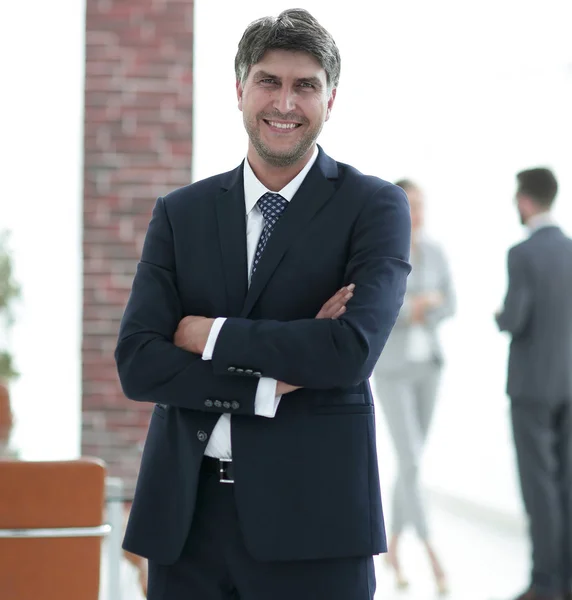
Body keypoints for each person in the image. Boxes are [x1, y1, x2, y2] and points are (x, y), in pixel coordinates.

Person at [115, 9, 411, 600]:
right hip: (188, 522)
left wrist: (208, 335)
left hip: (316, 524)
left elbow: (348, 352)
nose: (285, 103)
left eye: (306, 85)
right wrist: (268, 383)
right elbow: (139, 362)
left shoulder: (374, 207)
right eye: (269, 81)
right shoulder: (180, 213)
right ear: (240, 90)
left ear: (331, 99)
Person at [372, 180, 455, 594]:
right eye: (411, 205)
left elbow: (451, 302)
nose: (418, 212)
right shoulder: (384, 252)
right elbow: (377, 305)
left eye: (422, 204)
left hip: (429, 368)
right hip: (393, 369)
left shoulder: (437, 251)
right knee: (412, 461)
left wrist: (432, 308)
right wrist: (416, 307)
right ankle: (432, 553)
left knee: (411, 463)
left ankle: (395, 547)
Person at [496, 168, 572, 600]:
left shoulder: (521, 253)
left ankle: (545, 583)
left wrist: (498, 317)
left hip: (531, 388)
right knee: (567, 484)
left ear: (525, 201)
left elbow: (515, 317)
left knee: (539, 487)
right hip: (568, 381)